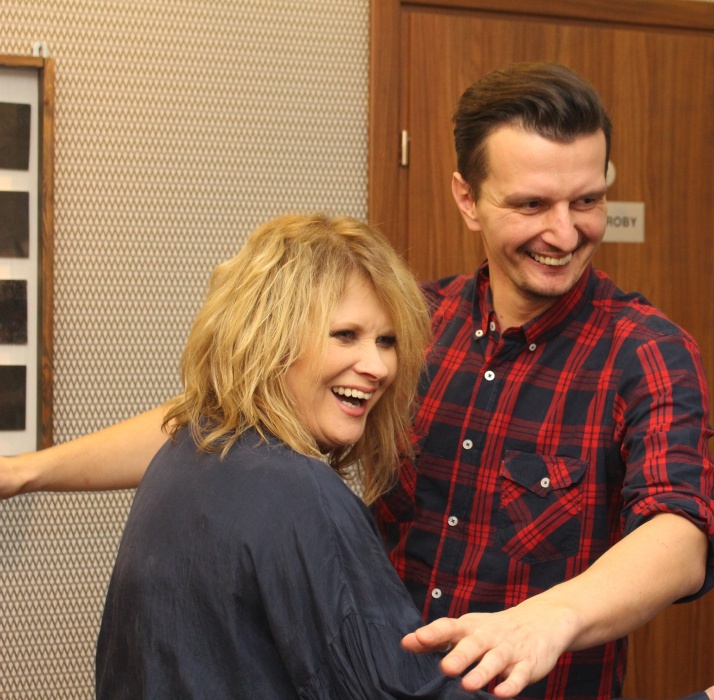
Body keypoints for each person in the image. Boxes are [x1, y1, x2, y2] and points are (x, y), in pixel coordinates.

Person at [2, 65, 714, 699]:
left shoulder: (644, 350)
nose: (564, 232)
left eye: (586, 201)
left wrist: (552, 618)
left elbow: (679, 534)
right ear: (467, 198)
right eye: (530, 205)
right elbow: (231, 410)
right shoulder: (409, 325)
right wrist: (27, 472)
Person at [94, 213, 497, 698]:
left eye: (386, 341)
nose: (377, 367)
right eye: (345, 335)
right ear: (270, 337)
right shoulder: (300, 494)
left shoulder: (184, 451)